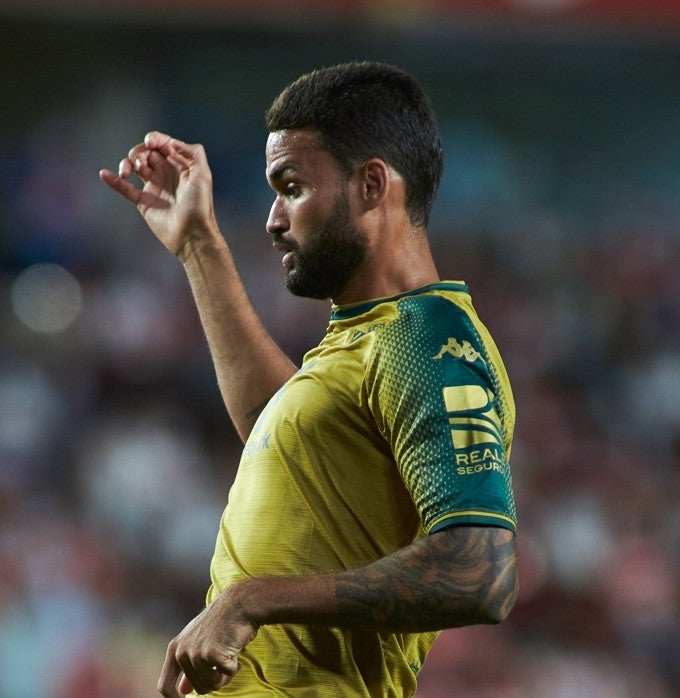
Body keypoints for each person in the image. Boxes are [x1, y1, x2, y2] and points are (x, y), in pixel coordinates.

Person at [98, 61, 518, 697]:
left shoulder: (427, 338)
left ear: (373, 184)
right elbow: (281, 431)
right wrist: (198, 246)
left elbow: (478, 570)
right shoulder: (365, 337)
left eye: (291, 186)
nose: (272, 219)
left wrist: (251, 600)